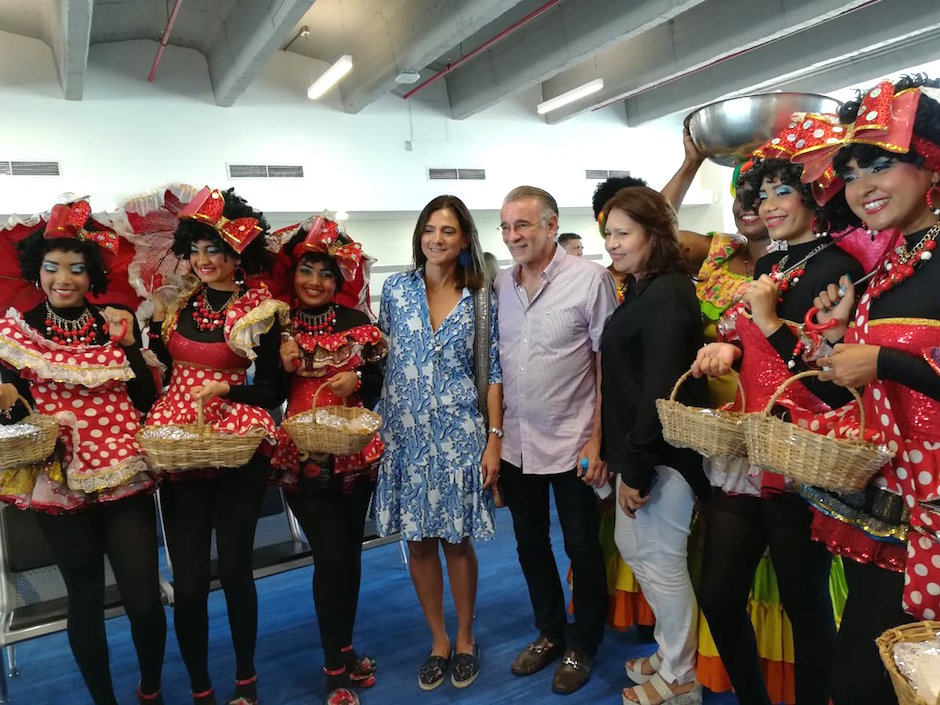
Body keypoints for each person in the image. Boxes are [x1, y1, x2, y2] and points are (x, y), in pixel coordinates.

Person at [692, 130, 864, 705]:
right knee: (717, 592)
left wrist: (765, 323)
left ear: (816, 195)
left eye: (783, 190)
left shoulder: (839, 266)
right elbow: (755, 345)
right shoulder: (771, 261)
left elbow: (833, 380)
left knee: (803, 602)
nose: (767, 204)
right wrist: (728, 349)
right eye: (760, 193)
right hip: (744, 446)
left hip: (802, 453)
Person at [791, 76, 940, 704]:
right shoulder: (886, 270)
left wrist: (882, 359)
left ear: (930, 161)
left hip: (932, 513)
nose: (863, 187)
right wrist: (831, 348)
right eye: (850, 174)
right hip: (889, 505)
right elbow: (856, 397)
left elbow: (900, 375)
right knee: (875, 676)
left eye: (882, 164)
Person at [0, 201, 166, 705]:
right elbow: (12, 421)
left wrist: (133, 345)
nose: (63, 278)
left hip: (124, 473)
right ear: (38, 271)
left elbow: (144, 402)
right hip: (58, 479)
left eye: (76, 267)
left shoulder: (113, 323)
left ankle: (151, 690)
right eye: (52, 267)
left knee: (144, 600)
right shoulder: (16, 333)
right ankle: (104, 701)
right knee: (85, 599)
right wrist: (7, 403)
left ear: (91, 273)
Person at [146, 186, 287, 705]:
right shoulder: (175, 303)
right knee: (187, 580)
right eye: (198, 249)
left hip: (237, 443)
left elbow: (271, 391)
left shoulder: (262, 310)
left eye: (217, 249)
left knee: (232, 568)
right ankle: (200, 687)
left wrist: (228, 388)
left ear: (239, 252)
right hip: (180, 440)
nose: (205, 261)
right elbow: (153, 371)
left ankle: (245, 682)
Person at [374, 194, 501, 691]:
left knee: (456, 539)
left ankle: (466, 637)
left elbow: (493, 373)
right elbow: (379, 354)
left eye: (448, 230)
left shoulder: (481, 297)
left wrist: (493, 440)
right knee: (418, 542)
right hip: (403, 434)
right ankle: (439, 640)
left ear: (465, 238)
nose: (436, 239)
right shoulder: (395, 289)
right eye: (429, 229)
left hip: (459, 435)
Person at [496, 185, 614, 695]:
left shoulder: (590, 280)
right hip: (516, 445)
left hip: (573, 444)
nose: (513, 235)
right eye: (505, 227)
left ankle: (583, 644)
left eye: (522, 224)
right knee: (529, 544)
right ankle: (550, 632)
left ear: (550, 224)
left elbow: (609, 365)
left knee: (583, 549)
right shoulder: (500, 286)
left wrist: (598, 440)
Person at [270, 217, 385, 705]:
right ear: (293, 275)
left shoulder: (358, 326)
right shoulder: (276, 325)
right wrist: (280, 364)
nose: (315, 282)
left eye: (326, 273)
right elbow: (268, 394)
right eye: (307, 271)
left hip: (355, 452)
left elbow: (379, 387)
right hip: (303, 454)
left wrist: (355, 383)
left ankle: (346, 646)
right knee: (330, 557)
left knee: (352, 557)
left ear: (339, 282)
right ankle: (334, 669)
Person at [599, 186, 707, 705]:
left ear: (653, 234)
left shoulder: (669, 291)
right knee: (637, 550)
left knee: (661, 559)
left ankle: (683, 675)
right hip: (639, 452)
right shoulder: (643, 287)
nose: (612, 244)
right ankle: (670, 652)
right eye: (608, 234)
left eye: (622, 233)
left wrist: (638, 467)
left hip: (664, 457)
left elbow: (662, 387)